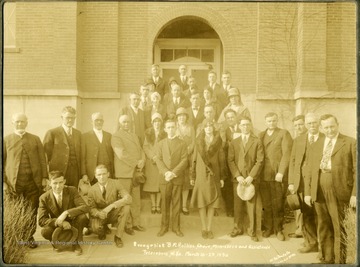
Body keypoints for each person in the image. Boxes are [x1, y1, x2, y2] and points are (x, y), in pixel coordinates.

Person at [304, 114, 356, 264]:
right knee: (323, 224)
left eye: (332, 126)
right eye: (326, 127)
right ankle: (327, 258)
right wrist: (308, 193)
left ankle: (340, 260)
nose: (329, 130)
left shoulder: (350, 143)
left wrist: (355, 194)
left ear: (338, 124)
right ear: (321, 128)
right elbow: (310, 170)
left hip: (340, 189)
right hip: (319, 188)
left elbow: (356, 170)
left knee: (339, 226)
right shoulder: (317, 143)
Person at [4, 113, 48, 248]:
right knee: (16, 210)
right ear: (13, 123)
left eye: (22, 122)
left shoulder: (35, 139)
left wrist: (45, 177)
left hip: (33, 183)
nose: (20, 124)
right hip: (14, 184)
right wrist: (4, 183)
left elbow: (42, 159)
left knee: (31, 210)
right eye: (17, 122)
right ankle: (16, 237)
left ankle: (28, 237)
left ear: (27, 122)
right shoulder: (6, 140)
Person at [288, 113, 322, 253]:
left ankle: (322, 244)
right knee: (306, 213)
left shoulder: (325, 139)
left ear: (318, 123)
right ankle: (310, 242)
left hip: (319, 183)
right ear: (306, 125)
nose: (312, 126)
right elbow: (293, 161)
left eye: (314, 123)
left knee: (320, 214)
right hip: (301, 182)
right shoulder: (299, 140)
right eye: (309, 124)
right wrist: (291, 182)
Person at [227, 116, 264, 242]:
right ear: (239, 126)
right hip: (238, 179)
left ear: (251, 125)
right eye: (243, 125)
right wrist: (237, 175)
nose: (245, 127)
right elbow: (230, 160)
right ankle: (237, 228)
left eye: (247, 124)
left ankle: (251, 230)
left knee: (251, 205)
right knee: (237, 205)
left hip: (250, 179)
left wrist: (250, 177)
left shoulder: (257, 141)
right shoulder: (234, 142)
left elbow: (260, 161)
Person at [259, 112, 293, 241]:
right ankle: (268, 228)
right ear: (265, 122)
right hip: (263, 175)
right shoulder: (261, 135)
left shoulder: (283, 133)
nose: (271, 123)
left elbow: (286, 154)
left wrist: (281, 171)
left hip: (277, 175)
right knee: (267, 204)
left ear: (277, 121)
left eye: (273, 121)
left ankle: (279, 229)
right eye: (269, 121)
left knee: (278, 204)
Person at [38, 170, 89, 255]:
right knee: (45, 231)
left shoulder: (72, 190)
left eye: (61, 182)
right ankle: (57, 243)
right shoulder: (44, 198)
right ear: (49, 183)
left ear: (64, 181)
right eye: (55, 183)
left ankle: (76, 243)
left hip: (72, 222)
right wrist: (60, 223)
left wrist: (66, 212)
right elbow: (41, 220)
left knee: (82, 217)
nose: (58, 186)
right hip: (57, 224)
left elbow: (85, 207)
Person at [190, 120, 225, 239]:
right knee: (201, 201)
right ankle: (203, 228)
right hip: (200, 173)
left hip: (214, 173)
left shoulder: (218, 142)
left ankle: (209, 229)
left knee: (212, 202)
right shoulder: (198, 142)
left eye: (211, 126)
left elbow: (221, 160)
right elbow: (194, 159)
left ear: (213, 128)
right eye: (206, 126)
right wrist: (193, 175)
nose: (209, 128)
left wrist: (221, 177)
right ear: (203, 129)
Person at [111, 114, 146, 235]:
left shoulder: (134, 135)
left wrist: (142, 160)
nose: (126, 124)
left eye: (128, 122)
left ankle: (136, 223)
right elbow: (121, 154)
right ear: (120, 123)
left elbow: (141, 150)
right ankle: (127, 225)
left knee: (136, 200)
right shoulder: (116, 136)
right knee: (126, 200)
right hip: (124, 173)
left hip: (135, 173)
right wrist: (137, 162)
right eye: (124, 122)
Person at [155, 120, 188, 237]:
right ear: (165, 129)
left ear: (176, 127)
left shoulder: (182, 143)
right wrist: (166, 172)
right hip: (164, 178)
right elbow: (158, 159)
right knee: (164, 203)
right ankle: (164, 227)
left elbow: (185, 160)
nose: (170, 129)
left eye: (173, 127)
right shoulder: (160, 143)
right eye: (168, 127)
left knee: (176, 204)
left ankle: (176, 228)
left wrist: (173, 173)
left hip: (176, 177)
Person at [87, 165, 132, 248]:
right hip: (101, 215)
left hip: (113, 212)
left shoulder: (116, 183)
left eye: (104, 174)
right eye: (99, 174)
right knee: (96, 229)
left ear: (108, 174)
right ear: (95, 176)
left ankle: (118, 237)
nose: (102, 177)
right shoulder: (91, 190)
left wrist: (112, 205)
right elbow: (91, 208)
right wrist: (98, 213)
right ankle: (103, 229)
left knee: (126, 207)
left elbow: (128, 198)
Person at [43, 106, 82, 187]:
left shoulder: (78, 134)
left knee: (72, 194)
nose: (70, 120)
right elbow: (45, 156)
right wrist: (47, 175)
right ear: (62, 117)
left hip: (75, 173)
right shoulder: (52, 133)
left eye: (72, 118)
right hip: (58, 172)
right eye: (67, 117)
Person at [143, 113, 167, 214]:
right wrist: (153, 156)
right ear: (152, 123)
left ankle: (158, 204)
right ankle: (153, 205)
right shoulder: (148, 133)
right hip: (151, 162)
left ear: (161, 123)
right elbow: (145, 147)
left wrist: (159, 157)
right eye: (155, 122)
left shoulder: (164, 133)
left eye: (158, 121)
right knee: (152, 185)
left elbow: (166, 146)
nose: (157, 124)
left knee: (160, 184)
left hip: (161, 162)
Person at [81, 112, 114, 185]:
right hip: (92, 174)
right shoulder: (85, 137)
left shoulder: (109, 136)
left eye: (101, 120)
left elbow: (112, 155)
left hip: (107, 173)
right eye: (96, 120)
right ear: (91, 122)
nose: (99, 122)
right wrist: (84, 174)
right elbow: (82, 157)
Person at [288, 114, 306, 239]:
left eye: (300, 124)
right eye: (296, 126)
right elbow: (292, 161)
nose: (298, 127)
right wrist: (291, 181)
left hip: (308, 179)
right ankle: (300, 229)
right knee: (297, 204)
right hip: (298, 179)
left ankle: (304, 230)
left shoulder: (312, 138)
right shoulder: (296, 140)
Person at [222, 109, 242, 217]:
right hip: (228, 161)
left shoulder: (242, 128)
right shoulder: (224, 131)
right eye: (228, 118)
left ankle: (240, 209)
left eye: (232, 117)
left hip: (240, 161)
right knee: (228, 186)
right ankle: (230, 209)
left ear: (236, 117)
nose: (230, 119)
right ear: (226, 119)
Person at [175, 107, 196, 216]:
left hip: (187, 158)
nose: (181, 117)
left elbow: (193, 142)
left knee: (186, 183)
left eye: (183, 115)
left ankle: (184, 206)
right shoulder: (174, 127)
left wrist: (188, 150)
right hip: (176, 159)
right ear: (177, 118)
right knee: (177, 182)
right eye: (179, 116)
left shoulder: (190, 128)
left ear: (186, 117)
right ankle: (176, 205)